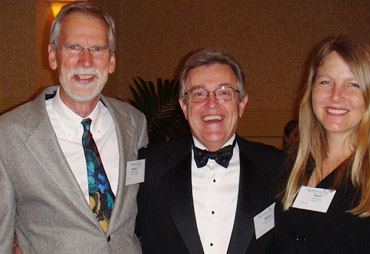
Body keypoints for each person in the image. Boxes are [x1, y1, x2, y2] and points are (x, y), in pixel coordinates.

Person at [0, 2, 148, 253]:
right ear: (52, 55)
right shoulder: (9, 134)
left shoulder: (134, 123)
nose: (86, 60)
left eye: (98, 49)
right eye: (73, 47)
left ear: (111, 61)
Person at [136, 49, 284, 254]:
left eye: (224, 92)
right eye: (198, 94)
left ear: (241, 104)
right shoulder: (149, 166)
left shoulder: (279, 167)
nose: (212, 104)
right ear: (184, 107)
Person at [275, 37, 370, 253]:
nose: (336, 96)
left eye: (353, 84)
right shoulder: (291, 165)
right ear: (311, 89)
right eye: (326, 82)